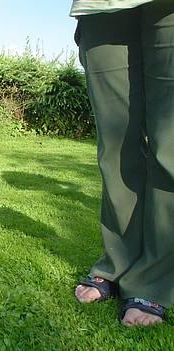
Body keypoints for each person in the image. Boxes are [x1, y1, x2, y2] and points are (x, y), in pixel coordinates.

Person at [70, 0, 173, 326]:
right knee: (114, 151)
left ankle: (153, 280)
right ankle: (117, 262)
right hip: (100, 6)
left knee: (169, 147)